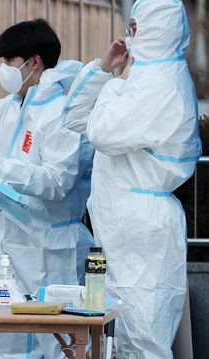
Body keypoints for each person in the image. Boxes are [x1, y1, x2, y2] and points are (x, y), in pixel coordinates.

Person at [63, 1, 201, 357]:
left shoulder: (163, 82)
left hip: (142, 223)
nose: (130, 37)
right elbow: (77, 120)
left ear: (160, 28)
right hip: (121, 221)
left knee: (143, 334)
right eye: (132, 26)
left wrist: (116, 83)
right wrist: (103, 70)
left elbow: (103, 132)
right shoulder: (143, 75)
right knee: (120, 331)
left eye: (138, 28)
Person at [0, 19, 94, 358]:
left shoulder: (62, 113)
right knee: (6, 336)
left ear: (34, 62)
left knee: (55, 339)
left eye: (9, 61)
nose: (3, 69)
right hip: (4, 243)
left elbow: (58, 181)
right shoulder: (1, 109)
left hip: (50, 245)